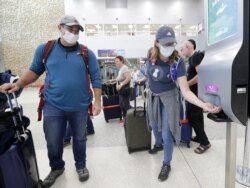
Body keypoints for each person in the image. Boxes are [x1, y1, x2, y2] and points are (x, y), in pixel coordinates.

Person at [0, 15, 102, 187]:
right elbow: (34, 71)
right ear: (60, 28)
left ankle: (81, 166)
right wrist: (17, 84)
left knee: (80, 139)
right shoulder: (45, 49)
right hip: (53, 106)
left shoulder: (86, 53)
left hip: (80, 107)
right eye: (70, 29)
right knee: (53, 141)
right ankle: (56, 167)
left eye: (77, 31)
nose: (74, 33)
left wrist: (98, 101)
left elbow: (97, 78)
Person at [146, 25, 220, 182]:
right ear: (157, 43)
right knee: (153, 125)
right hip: (152, 97)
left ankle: (166, 163)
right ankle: (158, 143)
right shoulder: (150, 55)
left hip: (169, 98)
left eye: (171, 43)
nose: (169, 47)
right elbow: (150, 76)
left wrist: (203, 104)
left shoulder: (177, 62)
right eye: (165, 44)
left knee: (167, 132)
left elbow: (185, 91)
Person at [180, 39, 210, 154]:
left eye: (182, 49)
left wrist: (186, 84)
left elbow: (201, 75)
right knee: (198, 116)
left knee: (192, 116)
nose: (182, 52)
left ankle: (205, 142)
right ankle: (199, 136)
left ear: (188, 46)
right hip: (197, 92)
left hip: (196, 93)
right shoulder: (193, 58)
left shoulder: (195, 57)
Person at [107, 56, 131, 123]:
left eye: (117, 61)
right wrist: (112, 80)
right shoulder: (120, 69)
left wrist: (121, 84)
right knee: (121, 104)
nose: (116, 63)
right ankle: (125, 118)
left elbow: (128, 78)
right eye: (115, 61)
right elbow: (119, 79)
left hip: (124, 89)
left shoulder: (124, 68)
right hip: (121, 90)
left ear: (121, 61)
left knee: (125, 105)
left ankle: (132, 117)